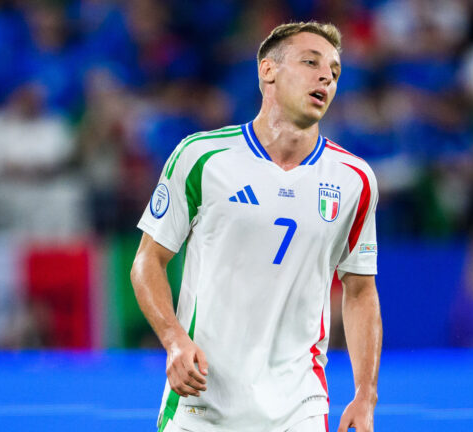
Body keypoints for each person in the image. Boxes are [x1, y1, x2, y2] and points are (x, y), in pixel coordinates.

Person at [130, 22, 382, 432]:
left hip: (299, 405)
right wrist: (174, 339)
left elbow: (360, 289)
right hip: (201, 401)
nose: (325, 77)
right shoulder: (201, 157)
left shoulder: (354, 179)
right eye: (310, 62)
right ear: (268, 71)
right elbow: (147, 261)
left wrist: (365, 394)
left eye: (334, 72)